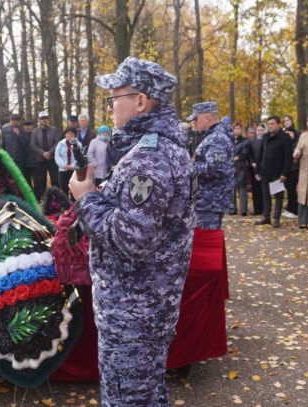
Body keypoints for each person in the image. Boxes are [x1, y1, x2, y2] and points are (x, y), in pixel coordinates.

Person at [68, 57, 195, 407]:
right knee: (147, 395)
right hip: (144, 308)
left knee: (127, 400)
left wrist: (87, 199)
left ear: (140, 101)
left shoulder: (149, 157)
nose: (110, 107)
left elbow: (132, 238)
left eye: (114, 98)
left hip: (133, 314)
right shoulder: (155, 149)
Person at [189, 101, 234, 229]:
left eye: (196, 118)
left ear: (207, 117)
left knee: (206, 243)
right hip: (208, 200)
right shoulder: (213, 136)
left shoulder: (217, 138)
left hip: (210, 201)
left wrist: (189, 166)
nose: (194, 122)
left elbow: (215, 169)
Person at [254, 116, 292, 227]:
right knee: (266, 195)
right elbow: (260, 154)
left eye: (272, 123)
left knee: (278, 196)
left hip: (277, 173)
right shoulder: (265, 137)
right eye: (269, 124)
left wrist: (284, 173)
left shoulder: (285, 138)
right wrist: (257, 170)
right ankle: (266, 217)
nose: (270, 126)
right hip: (265, 171)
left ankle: (276, 218)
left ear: (279, 124)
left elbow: (287, 157)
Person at [31, 111, 60, 200]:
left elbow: (57, 143)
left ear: (48, 119)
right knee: (40, 180)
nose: (44, 120)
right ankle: (43, 199)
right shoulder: (35, 131)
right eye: (42, 118)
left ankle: (57, 198)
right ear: (39, 120)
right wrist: (43, 153)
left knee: (55, 179)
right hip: (40, 159)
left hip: (52, 158)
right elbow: (32, 145)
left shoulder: (54, 130)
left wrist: (49, 153)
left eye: (46, 118)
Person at [1, 113, 34, 186]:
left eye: (16, 120)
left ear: (19, 121)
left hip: (20, 160)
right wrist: (3, 156)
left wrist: (18, 134)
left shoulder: (22, 131)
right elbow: (2, 145)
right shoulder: (5, 130)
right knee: (10, 179)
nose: (14, 122)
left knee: (21, 179)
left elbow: (24, 145)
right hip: (9, 159)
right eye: (13, 120)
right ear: (10, 120)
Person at [283, 115, 301, 219]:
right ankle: (290, 208)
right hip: (287, 166)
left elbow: (298, 148)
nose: (286, 122)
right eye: (284, 121)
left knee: (292, 187)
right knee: (288, 187)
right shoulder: (283, 133)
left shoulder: (298, 133)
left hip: (295, 166)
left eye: (288, 120)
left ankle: (294, 209)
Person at [54, 127, 81, 194]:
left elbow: (79, 157)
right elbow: (57, 155)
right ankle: (65, 204)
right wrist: (63, 165)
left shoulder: (78, 144)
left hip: (74, 170)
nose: (70, 136)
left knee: (74, 190)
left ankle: (74, 203)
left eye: (72, 134)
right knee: (64, 190)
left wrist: (72, 166)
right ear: (65, 134)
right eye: (68, 134)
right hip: (63, 170)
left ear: (75, 135)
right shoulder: (60, 143)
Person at [232, 122, 250, 217]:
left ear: (241, 129)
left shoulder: (245, 140)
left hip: (241, 167)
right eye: (235, 128)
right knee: (232, 188)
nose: (237, 130)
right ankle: (232, 209)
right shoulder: (230, 140)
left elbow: (244, 153)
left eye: (239, 128)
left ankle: (243, 210)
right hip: (231, 167)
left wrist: (235, 158)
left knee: (242, 189)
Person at [248, 124, 264, 216]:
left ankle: (264, 209)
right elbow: (249, 154)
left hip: (264, 168)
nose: (259, 132)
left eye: (261, 130)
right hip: (254, 168)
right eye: (258, 130)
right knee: (255, 190)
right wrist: (252, 162)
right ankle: (257, 209)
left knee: (264, 190)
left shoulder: (267, 141)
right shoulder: (252, 141)